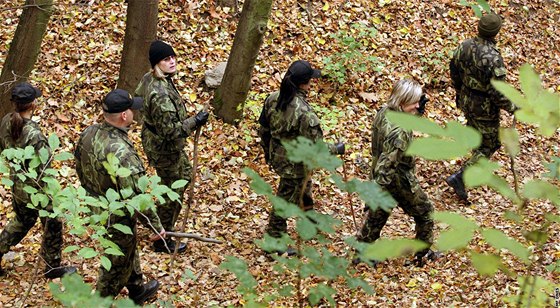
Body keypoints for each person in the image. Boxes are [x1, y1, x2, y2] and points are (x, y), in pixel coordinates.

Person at [74, 89, 165, 305]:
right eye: (133, 110)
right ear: (124, 115)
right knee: (115, 264)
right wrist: (155, 226)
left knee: (127, 247)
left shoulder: (88, 133)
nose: (135, 113)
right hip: (116, 214)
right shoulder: (122, 152)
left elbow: (79, 166)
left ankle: (136, 288)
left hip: (94, 206)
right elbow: (137, 196)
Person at [258, 60, 345, 255]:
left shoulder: (273, 98)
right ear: (303, 84)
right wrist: (337, 149)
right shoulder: (305, 114)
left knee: (303, 187)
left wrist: (268, 153)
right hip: (294, 164)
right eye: (310, 80)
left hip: (279, 156)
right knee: (285, 199)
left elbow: (263, 129)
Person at [135, 40, 209, 253]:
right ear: (157, 64)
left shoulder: (152, 79)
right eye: (166, 59)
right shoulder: (159, 94)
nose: (172, 61)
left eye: (173, 57)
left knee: (182, 176)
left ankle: (154, 221)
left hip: (157, 141)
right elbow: (171, 131)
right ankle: (161, 235)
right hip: (164, 147)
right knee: (173, 189)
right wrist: (195, 121)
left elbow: (140, 98)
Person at [355, 79, 438, 267]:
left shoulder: (385, 111)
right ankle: (422, 254)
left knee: (379, 213)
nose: (418, 105)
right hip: (398, 178)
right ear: (402, 102)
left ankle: (362, 251)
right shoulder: (399, 132)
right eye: (414, 102)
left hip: (379, 173)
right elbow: (388, 164)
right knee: (426, 212)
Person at [0, 82, 77, 278]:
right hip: (37, 188)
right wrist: (52, 195)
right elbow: (45, 170)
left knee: (21, 221)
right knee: (53, 223)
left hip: (17, 183)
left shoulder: (6, 121)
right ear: (33, 104)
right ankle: (52, 266)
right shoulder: (35, 135)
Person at [447, 13, 517, 201]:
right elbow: (498, 93)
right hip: (484, 108)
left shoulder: (465, 46)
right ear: (495, 33)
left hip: (466, 99)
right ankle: (461, 177)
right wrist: (514, 107)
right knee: (490, 143)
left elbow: (454, 69)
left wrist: (460, 91)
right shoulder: (493, 58)